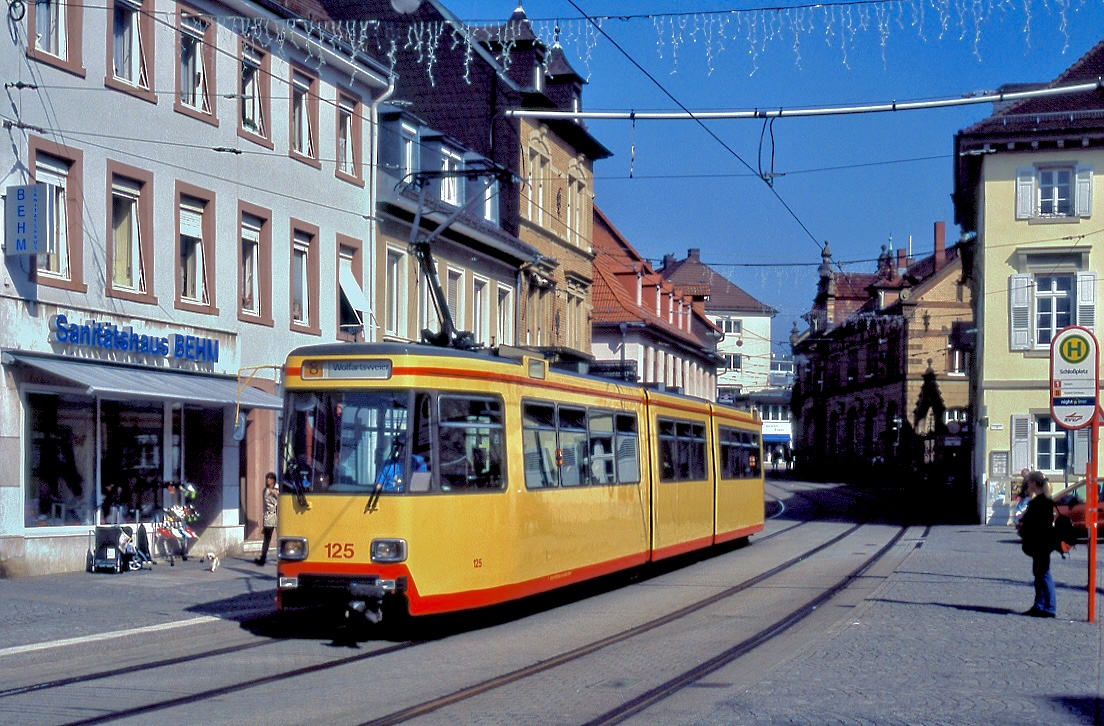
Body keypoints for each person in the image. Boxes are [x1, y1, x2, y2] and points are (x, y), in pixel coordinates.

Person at [1019, 470, 1056, 618]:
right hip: (1043, 544)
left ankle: (1049, 607)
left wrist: (1023, 525)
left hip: (1040, 544)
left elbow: (1035, 524)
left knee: (1044, 574)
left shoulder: (1039, 502)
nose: (1027, 486)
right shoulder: (1045, 501)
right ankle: (1039, 605)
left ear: (1033, 483)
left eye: (1028, 483)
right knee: (1040, 574)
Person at [255, 472, 278, 566]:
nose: (268, 480)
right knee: (267, 539)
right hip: (269, 516)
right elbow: (265, 506)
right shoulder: (265, 491)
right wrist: (264, 522)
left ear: (273, 480)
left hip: (278, 516)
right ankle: (263, 558)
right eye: (267, 478)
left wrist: (277, 495)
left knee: (281, 538)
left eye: (270, 478)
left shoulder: (277, 490)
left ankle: (283, 557)